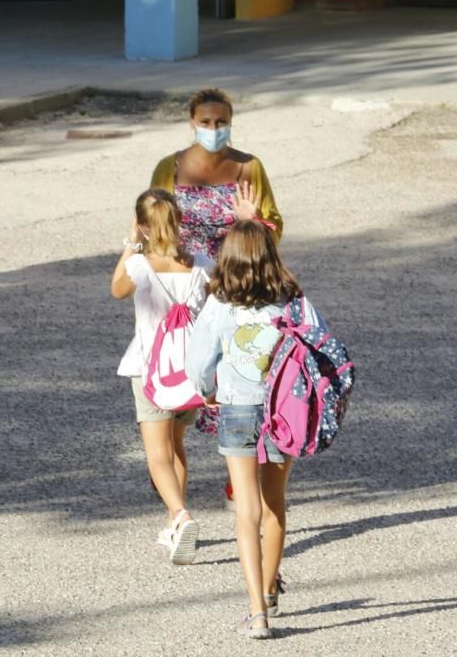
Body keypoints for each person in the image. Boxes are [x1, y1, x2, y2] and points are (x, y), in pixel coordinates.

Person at [185, 220, 323, 639]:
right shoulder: (293, 301)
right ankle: (269, 582)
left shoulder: (221, 303)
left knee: (245, 511)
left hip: (237, 410)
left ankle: (256, 611)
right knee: (274, 506)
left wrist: (208, 390)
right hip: (284, 411)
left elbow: (198, 363)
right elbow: (316, 345)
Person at [150, 87, 284, 508]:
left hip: (235, 289)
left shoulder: (249, 167)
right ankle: (173, 489)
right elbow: (153, 221)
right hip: (182, 292)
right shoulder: (168, 167)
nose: (213, 129)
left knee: (237, 384)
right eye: (205, 122)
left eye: (220, 121)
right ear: (191, 122)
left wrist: (252, 221)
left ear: (231, 121)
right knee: (179, 384)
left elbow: (273, 231)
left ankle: (238, 476)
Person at [111, 189, 214, 564]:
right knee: (176, 445)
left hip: (150, 369)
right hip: (190, 370)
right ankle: (173, 520)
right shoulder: (201, 263)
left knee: (156, 453)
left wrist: (131, 244)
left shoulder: (141, 266)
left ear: (142, 226)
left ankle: (181, 514)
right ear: (180, 221)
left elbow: (116, 288)